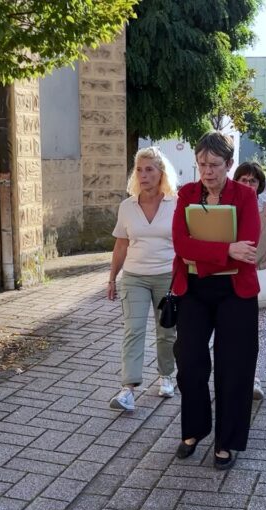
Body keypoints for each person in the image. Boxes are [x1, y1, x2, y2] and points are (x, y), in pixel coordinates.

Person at [171, 131, 260, 471]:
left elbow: (247, 250)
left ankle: (226, 441)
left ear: (229, 164)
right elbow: (181, 244)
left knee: (234, 368)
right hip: (193, 289)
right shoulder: (187, 194)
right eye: (202, 164)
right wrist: (224, 251)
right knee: (190, 361)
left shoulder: (245, 197)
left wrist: (205, 254)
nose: (207, 172)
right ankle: (193, 430)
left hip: (235, 293)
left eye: (214, 165)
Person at [107, 147, 178, 411]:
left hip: (167, 276)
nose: (144, 174)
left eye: (149, 169)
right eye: (139, 169)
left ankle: (166, 376)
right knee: (133, 330)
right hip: (134, 277)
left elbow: (184, 244)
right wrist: (113, 277)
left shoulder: (176, 203)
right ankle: (128, 389)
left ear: (161, 173)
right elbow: (121, 246)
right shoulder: (127, 206)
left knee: (166, 332)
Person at [235, 162, 266, 401]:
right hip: (232, 279)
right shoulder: (227, 209)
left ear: (260, 185)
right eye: (243, 180)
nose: (247, 185)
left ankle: (254, 378)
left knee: (262, 331)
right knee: (235, 330)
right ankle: (234, 374)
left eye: (252, 181)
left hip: (261, 278)